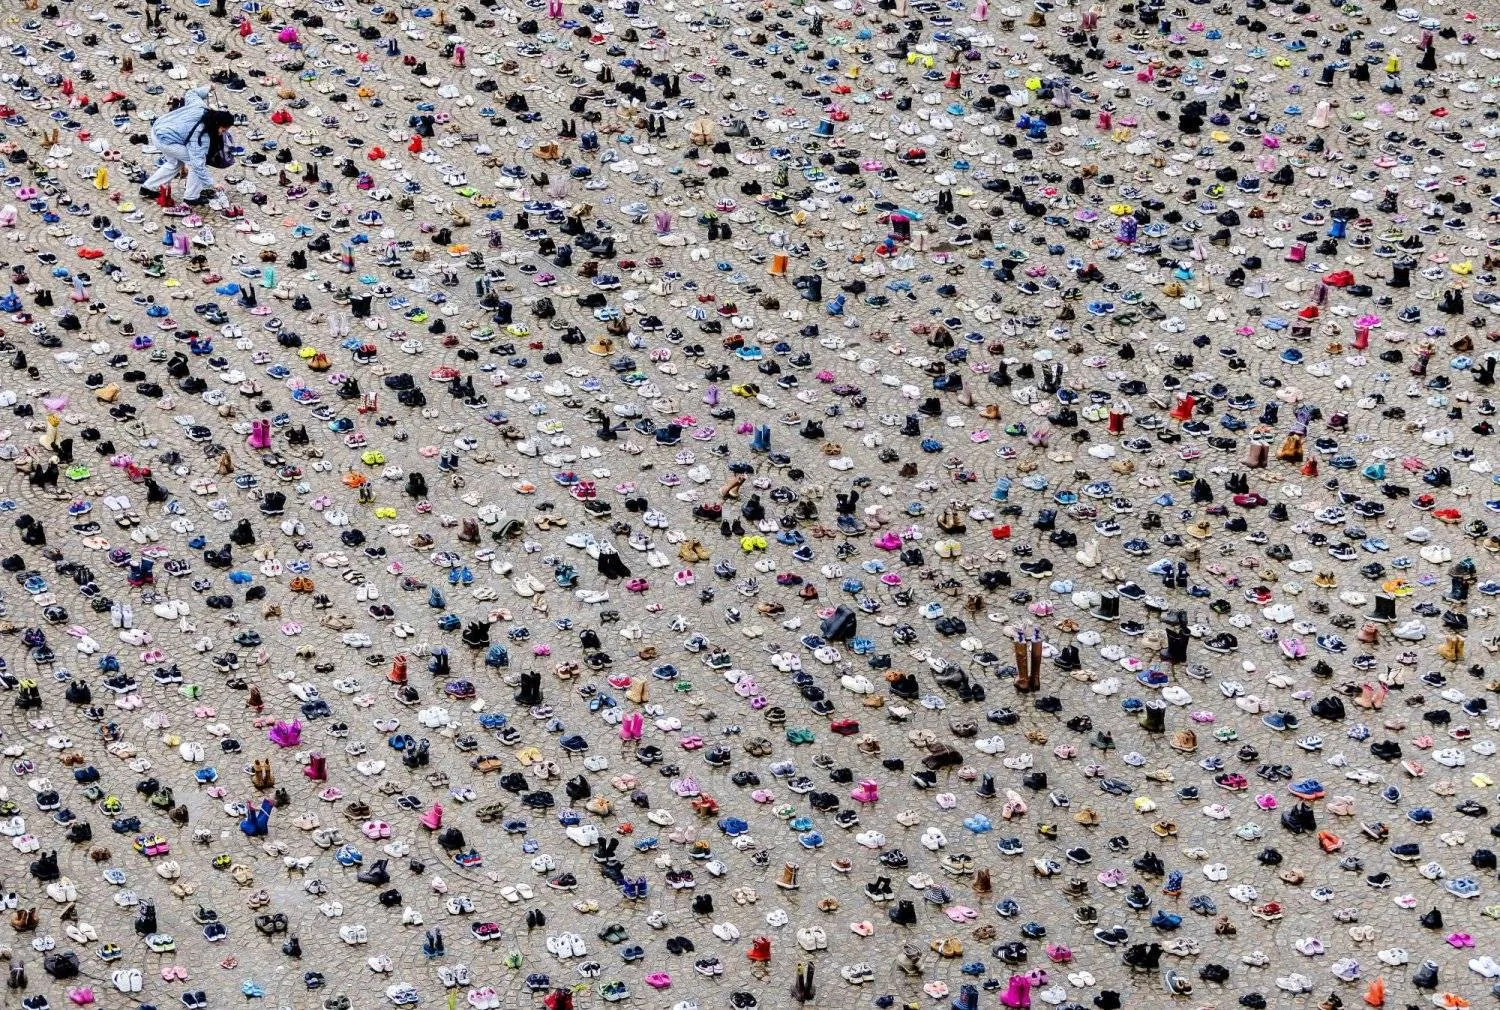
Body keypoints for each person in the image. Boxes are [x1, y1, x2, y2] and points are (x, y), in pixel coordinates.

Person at [139, 85, 234, 206]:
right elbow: (198, 164)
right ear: (217, 124)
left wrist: (207, 88)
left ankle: (148, 188)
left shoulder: (200, 107)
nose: (224, 133)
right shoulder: (202, 136)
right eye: (223, 129)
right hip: (165, 140)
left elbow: (191, 93)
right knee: (197, 162)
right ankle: (191, 197)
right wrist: (212, 183)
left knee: (175, 163)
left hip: (159, 128)